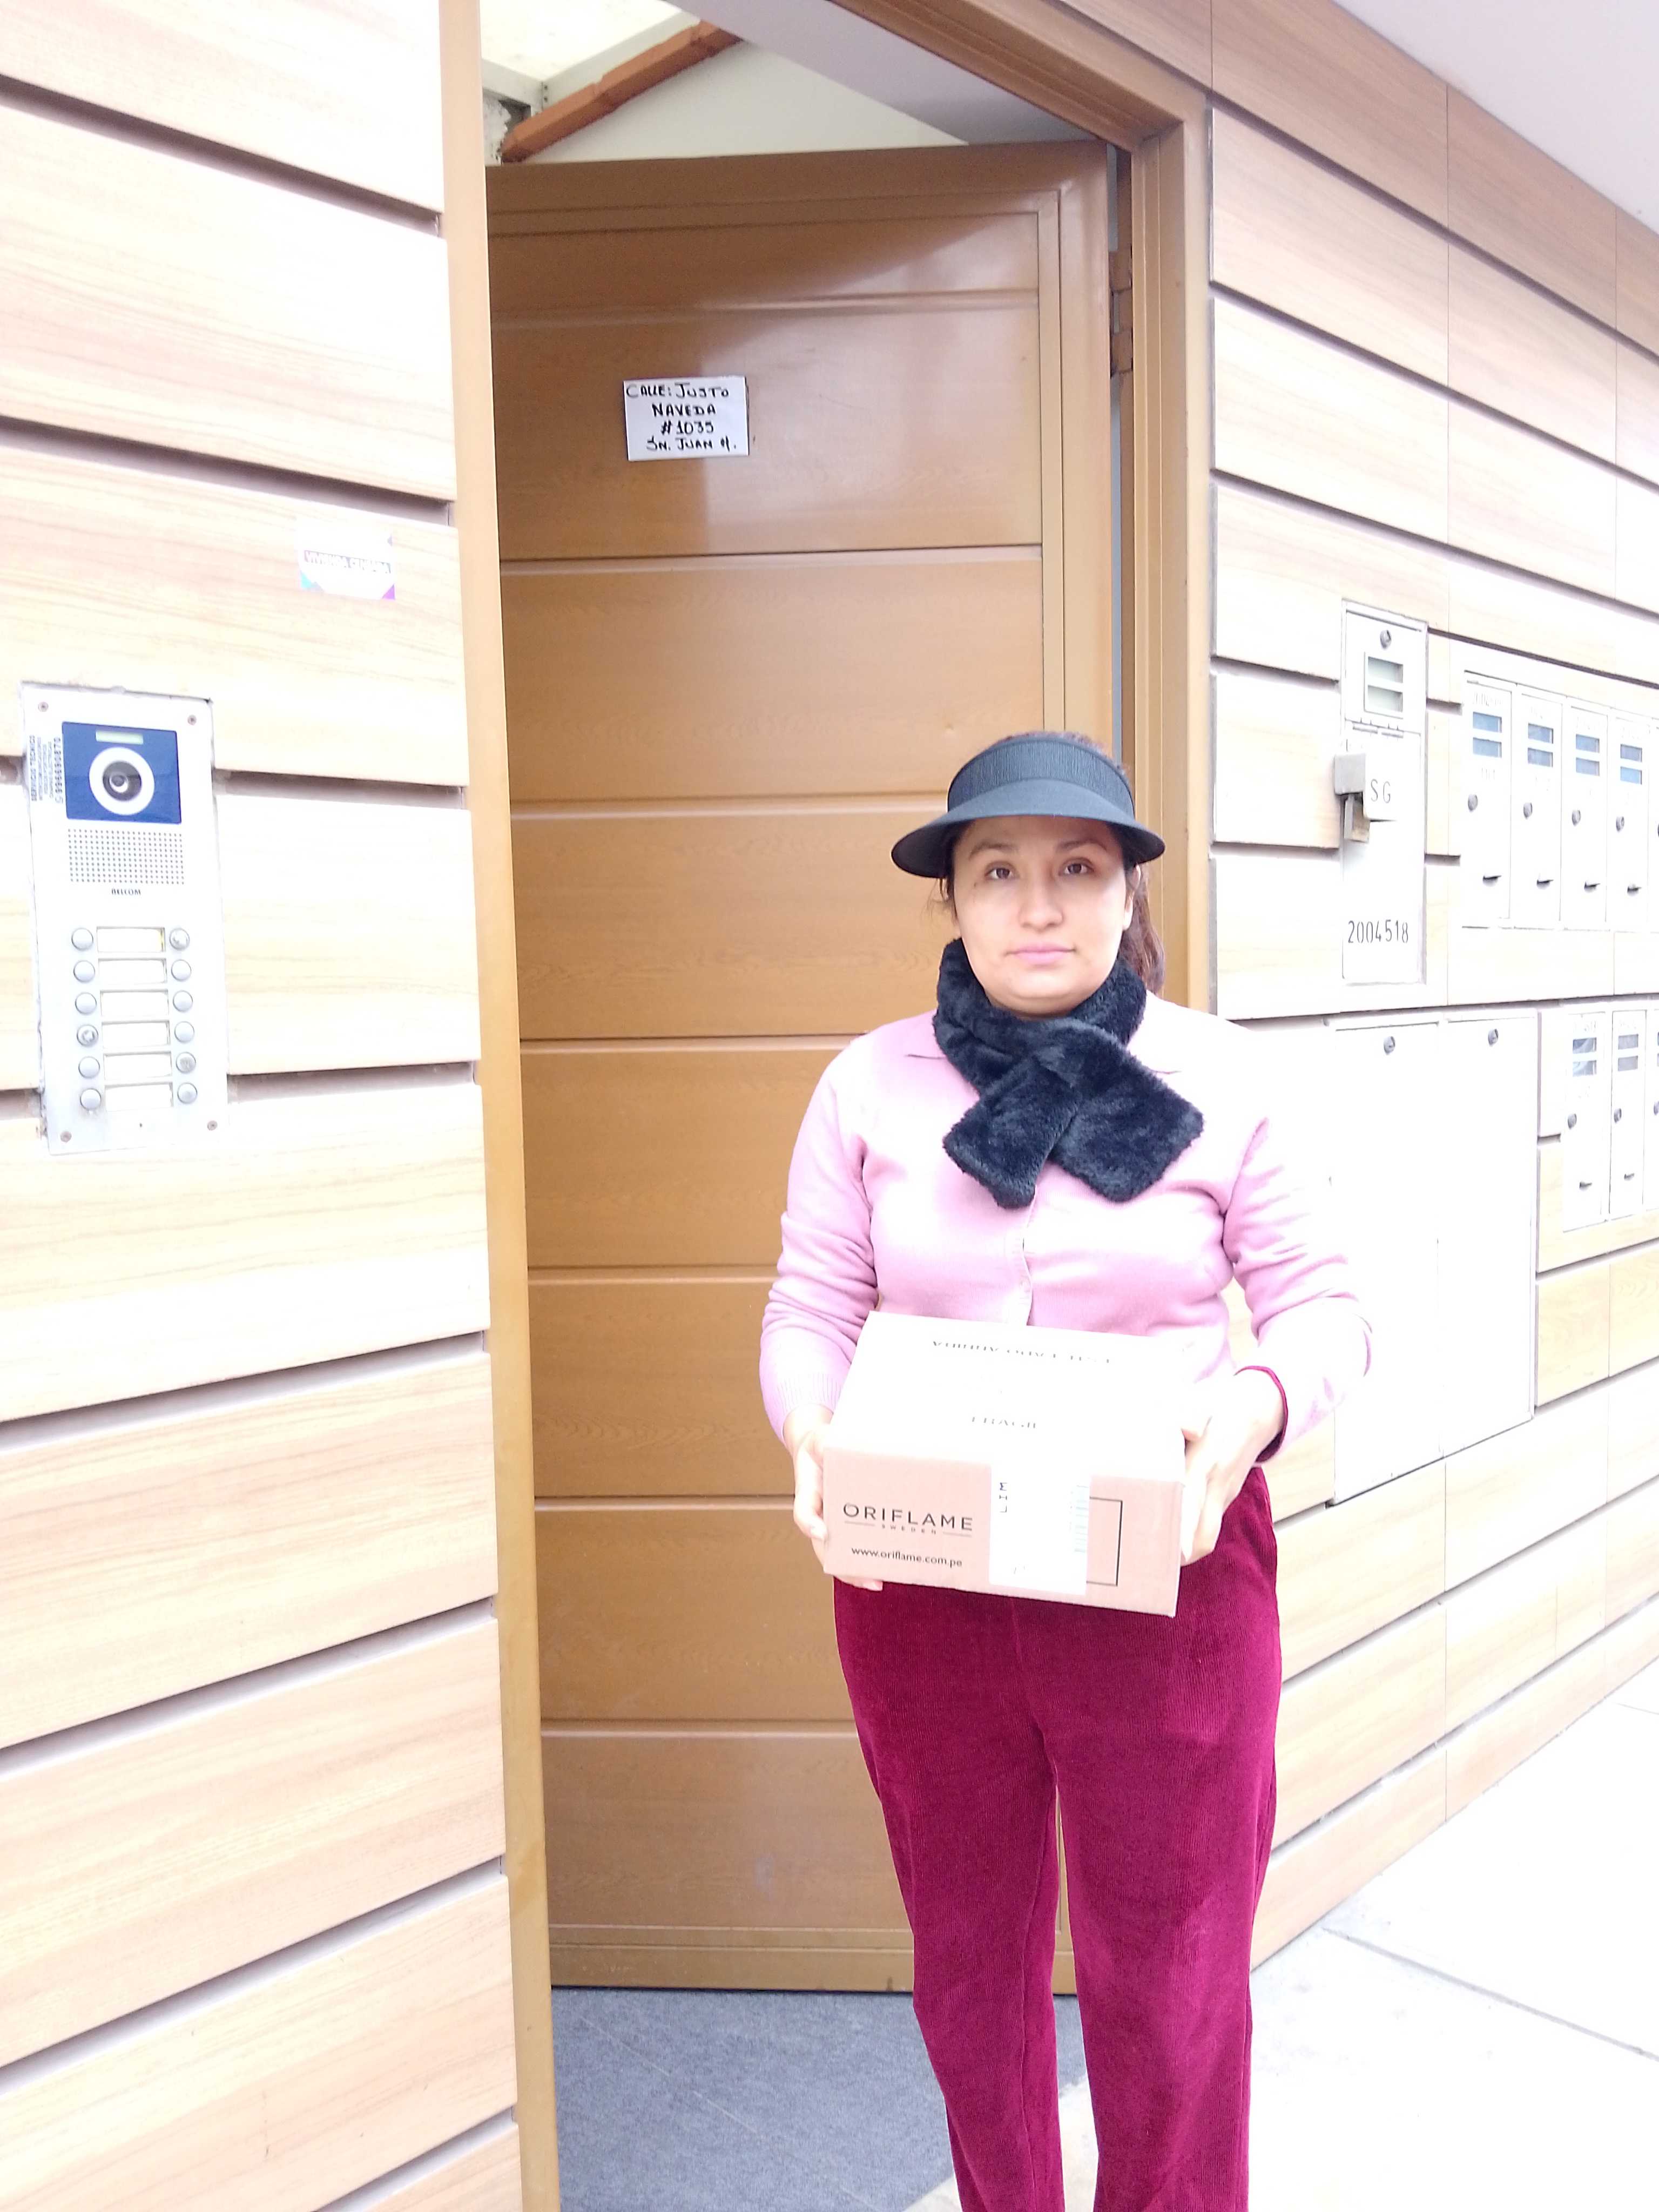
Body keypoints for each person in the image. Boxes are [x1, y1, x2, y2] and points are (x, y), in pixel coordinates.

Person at [757, 732, 1370, 2212]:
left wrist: (1253, 1409)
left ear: (1127, 891)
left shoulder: (1222, 1076)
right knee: (968, 1968)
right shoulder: (868, 1086)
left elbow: (1324, 1306)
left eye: (1077, 869)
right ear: (954, 900)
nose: (1038, 906)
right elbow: (813, 1303)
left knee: (1173, 1973)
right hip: (929, 1578)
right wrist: (811, 1433)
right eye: (998, 872)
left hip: (1171, 1571)